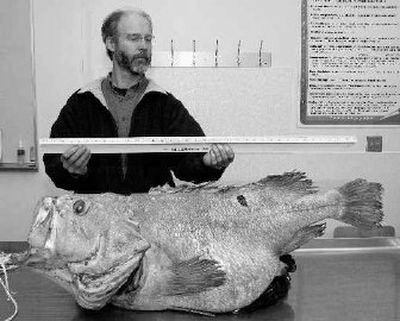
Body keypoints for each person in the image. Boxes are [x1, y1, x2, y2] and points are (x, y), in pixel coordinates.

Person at [43, 8, 234, 195]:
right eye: (134, 38)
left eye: (148, 39)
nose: (143, 45)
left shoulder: (164, 103)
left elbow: (190, 163)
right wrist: (71, 169)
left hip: (152, 218)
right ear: (111, 43)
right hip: (98, 220)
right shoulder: (82, 102)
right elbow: (53, 164)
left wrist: (209, 163)